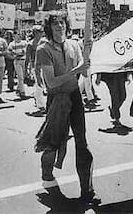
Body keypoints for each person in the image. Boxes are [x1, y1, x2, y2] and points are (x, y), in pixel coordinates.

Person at [34, 15, 100, 204]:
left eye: (62, 23)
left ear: (67, 26)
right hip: (57, 100)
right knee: (53, 143)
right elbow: (52, 82)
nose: (59, 26)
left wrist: (87, 55)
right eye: (55, 24)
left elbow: (84, 72)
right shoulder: (43, 49)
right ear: (49, 28)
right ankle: (47, 173)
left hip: (74, 97)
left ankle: (87, 190)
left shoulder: (74, 45)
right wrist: (76, 70)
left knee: (82, 140)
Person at [26, 25, 46, 115]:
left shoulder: (45, 42)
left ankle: (36, 97)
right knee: (39, 85)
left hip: (45, 65)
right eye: (39, 31)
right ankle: (40, 105)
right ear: (35, 33)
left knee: (44, 85)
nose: (41, 33)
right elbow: (27, 58)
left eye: (42, 31)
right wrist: (26, 70)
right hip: (35, 66)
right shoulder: (30, 44)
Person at [8, 30, 28, 99]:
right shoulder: (12, 44)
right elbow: (10, 52)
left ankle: (18, 89)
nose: (19, 35)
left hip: (23, 60)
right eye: (18, 34)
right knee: (20, 77)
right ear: (14, 36)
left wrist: (17, 53)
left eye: (20, 34)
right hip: (17, 61)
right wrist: (15, 54)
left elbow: (24, 52)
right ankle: (22, 92)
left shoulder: (24, 42)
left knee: (23, 77)